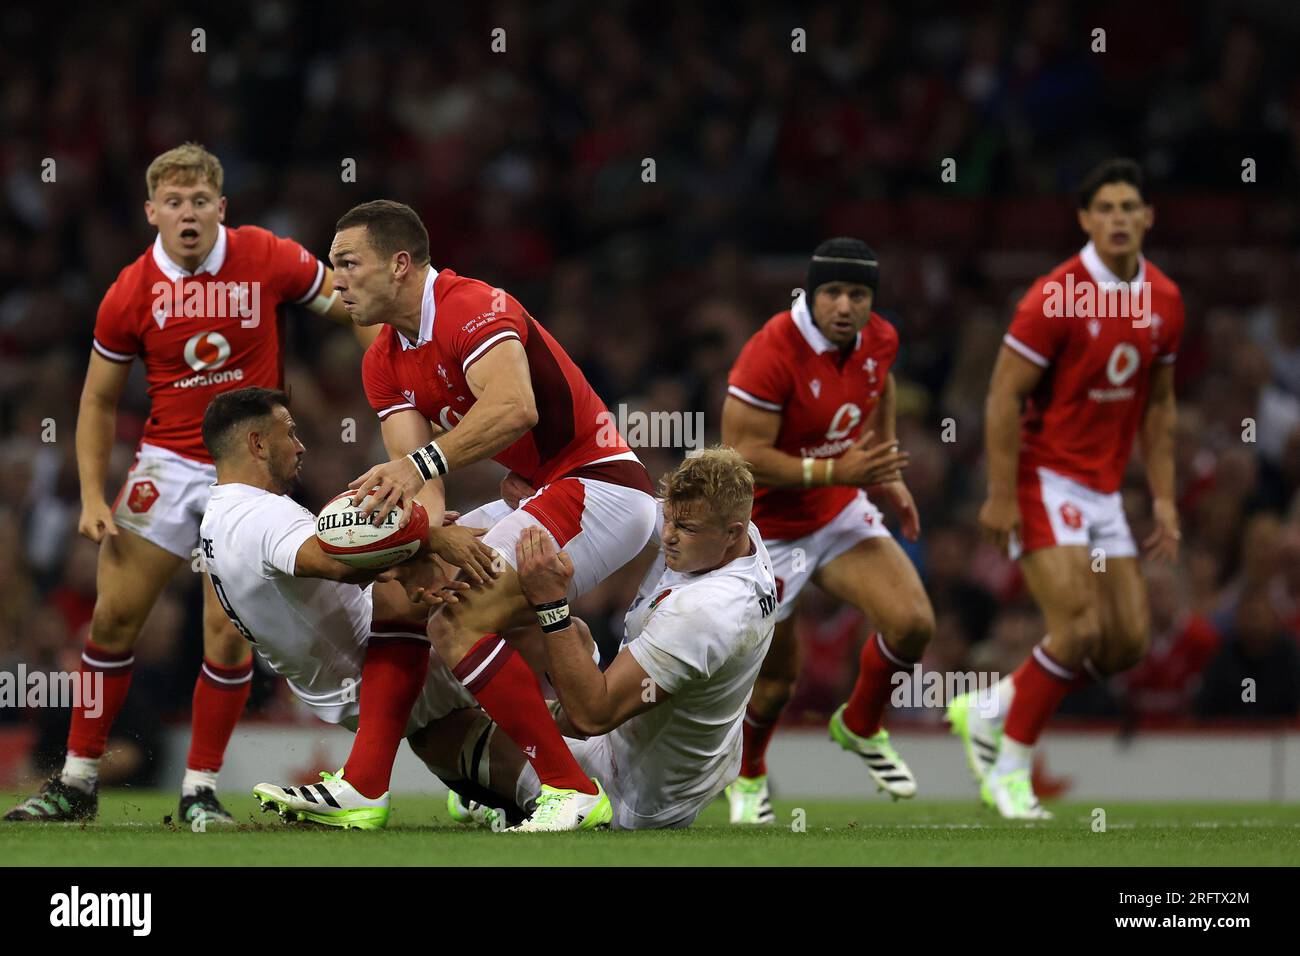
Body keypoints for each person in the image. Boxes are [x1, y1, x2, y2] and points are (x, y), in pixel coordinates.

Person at [6, 144, 371, 827]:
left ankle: (200, 790)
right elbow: (95, 402)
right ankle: (78, 781)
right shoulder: (130, 289)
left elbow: (352, 307)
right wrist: (90, 494)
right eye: (173, 202)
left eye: (200, 200)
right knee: (111, 619)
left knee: (227, 636)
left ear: (221, 207)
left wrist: (405, 341)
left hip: (248, 473)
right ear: (152, 212)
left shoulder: (269, 256)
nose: (188, 213)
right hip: (165, 468)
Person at [327, 200, 658, 830]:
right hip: (539, 493)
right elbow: (417, 479)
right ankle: (365, 787)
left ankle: (569, 788)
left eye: (348, 263)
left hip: (602, 485)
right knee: (401, 590)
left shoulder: (471, 305)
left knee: (458, 618)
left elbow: (514, 408)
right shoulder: (381, 360)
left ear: (400, 265)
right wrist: (426, 538)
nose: (336, 280)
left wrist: (420, 472)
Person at [950, 158, 1184, 819]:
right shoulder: (1055, 296)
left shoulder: (1165, 299)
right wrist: (998, 494)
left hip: (1104, 492)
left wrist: (1163, 497)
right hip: (1044, 477)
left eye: (1127, 207)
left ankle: (991, 706)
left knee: (1125, 643)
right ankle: (1012, 770)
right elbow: (1002, 394)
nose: (1117, 218)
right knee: (1077, 626)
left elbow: (1161, 405)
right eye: (1103, 208)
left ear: (1147, 217)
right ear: (1085, 220)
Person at [411, 449, 779, 831]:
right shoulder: (736, 538)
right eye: (671, 518)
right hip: (668, 752)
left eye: (686, 529)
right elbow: (631, 509)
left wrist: (551, 602)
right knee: (546, 633)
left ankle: (536, 799)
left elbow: (593, 715)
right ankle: (508, 784)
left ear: (732, 533)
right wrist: (542, 496)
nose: (669, 536)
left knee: (435, 732)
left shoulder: (707, 612)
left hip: (638, 792)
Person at [196, 387, 494, 828]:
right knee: (506, 543)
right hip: (368, 668)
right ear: (257, 444)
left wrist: (405, 551)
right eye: (290, 433)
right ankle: (366, 786)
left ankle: (480, 793)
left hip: (345, 684)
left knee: (485, 752)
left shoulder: (221, 515)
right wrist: (428, 539)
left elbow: (352, 562)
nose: (300, 446)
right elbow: (339, 563)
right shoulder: (257, 516)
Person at [720, 238, 931, 823]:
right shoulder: (771, 352)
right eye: (832, 292)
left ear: (871, 302)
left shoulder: (881, 339)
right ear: (811, 296)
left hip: (835, 510)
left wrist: (884, 467)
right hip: (767, 530)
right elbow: (740, 453)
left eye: (857, 294)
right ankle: (750, 775)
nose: (844, 305)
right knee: (776, 684)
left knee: (913, 623)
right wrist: (839, 468)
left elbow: (880, 381)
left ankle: (860, 724)